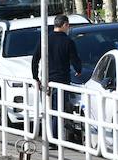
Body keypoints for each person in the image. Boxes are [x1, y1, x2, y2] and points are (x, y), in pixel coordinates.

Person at [32, 13, 82, 141]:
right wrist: (78, 70)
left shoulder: (45, 40)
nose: (68, 28)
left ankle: (50, 135)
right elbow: (74, 59)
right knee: (58, 109)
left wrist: (35, 77)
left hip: (47, 80)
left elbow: (35, 59)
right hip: (61, 80)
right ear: (65, 25)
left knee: (49, 109)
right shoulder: (68, 41)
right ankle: (53, 138)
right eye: (68, 25)